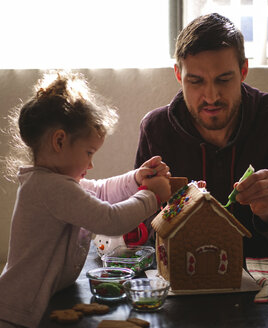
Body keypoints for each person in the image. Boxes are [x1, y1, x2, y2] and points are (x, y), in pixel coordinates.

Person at [0, 71, 171, 328]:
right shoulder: (50, 188)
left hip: (42, 301)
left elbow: (100, 192)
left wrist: (136, 178)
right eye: (89, 152)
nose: (91, 163)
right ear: (59, 141)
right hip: (20, 311)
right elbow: (109, 220)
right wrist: (151, 196)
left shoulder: (56, 184)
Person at [135, 13, 268, 257]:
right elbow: (141, 229)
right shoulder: (156, 129)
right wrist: (167, 213)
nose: (211, 96)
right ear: (178, 75)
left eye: (223, 79)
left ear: (243, 70)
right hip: (185, 272)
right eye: (196, 81)